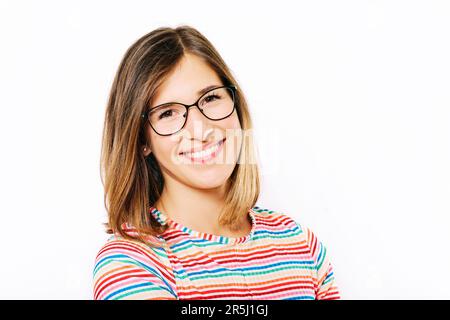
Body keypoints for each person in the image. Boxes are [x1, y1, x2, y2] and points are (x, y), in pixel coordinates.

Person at [93, 25, 340, 300]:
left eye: (210, 98)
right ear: (142, 141)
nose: (201, 129)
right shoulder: (131, 262)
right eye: (168, 114)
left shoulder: (300, 244)